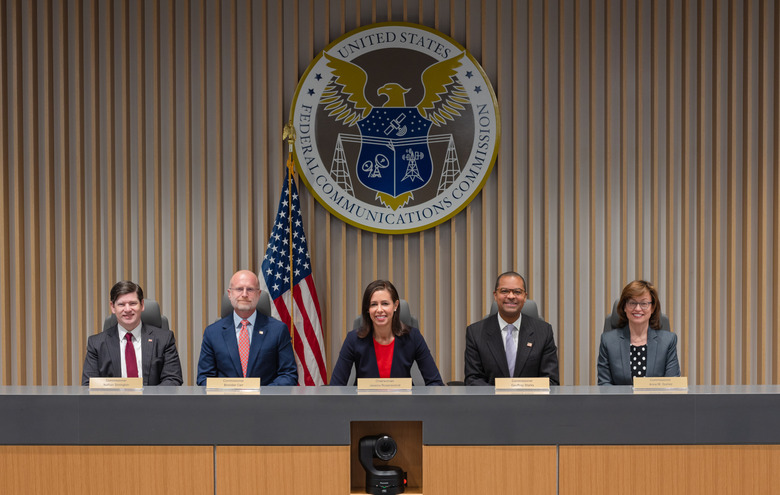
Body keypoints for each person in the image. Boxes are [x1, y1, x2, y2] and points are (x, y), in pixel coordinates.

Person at [330, 280, 444, 386]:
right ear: (367, 309)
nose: (379, 309)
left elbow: (435, 383)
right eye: (373, 304)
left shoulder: (413, 337)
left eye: (385, 303)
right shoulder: (353, 339)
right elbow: (336, 386)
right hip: (364, 405)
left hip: (404, 405)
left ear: (395, 305)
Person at [196, 270, 297, 386]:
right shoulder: (212, 333)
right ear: (229, 294)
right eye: (239, 289)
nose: (244, 294)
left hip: (265, 402)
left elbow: (288, 375)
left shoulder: (278, 330)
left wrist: (259, 394)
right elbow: (204, 378)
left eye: (250, 289)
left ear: (259, 294)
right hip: (225, 402)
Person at [464, 271, 559, 385]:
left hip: (531, 401)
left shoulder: (543, 332)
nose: (511, 296)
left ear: (524, 297)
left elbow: (550, 381)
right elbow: (473, 379)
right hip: (491, 402)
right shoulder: (475, 333)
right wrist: (501, 398)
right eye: (504, 291)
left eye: (517, 292)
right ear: (495, 295)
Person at [81, 280, 183, 386]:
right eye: (121, 304)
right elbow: (89, 384)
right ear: (112, 307)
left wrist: (148, 400)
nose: (127, 309)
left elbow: (173, 379)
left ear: (142, 305)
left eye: (133, 303)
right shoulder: (96, 344)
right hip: (113, 402)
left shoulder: (164, 339)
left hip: (153, 401)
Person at [597, 280, 680, 385]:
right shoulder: (608, 341)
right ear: (624, 307)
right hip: (618, 401)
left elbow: (672, 385)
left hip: (656, 401)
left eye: (644, 303)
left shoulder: (668, 341)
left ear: (653, 308)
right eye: (632, 303)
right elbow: (605, 385)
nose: (637, 308)